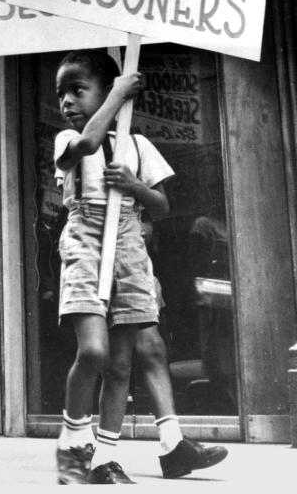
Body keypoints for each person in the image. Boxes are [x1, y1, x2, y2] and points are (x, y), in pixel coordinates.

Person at [52, 50, 172, 484]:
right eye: (61, 93)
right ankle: (70, 443)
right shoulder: (67, 140)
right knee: (95, 350)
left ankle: (105, 456)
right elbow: (85, 144)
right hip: (85, 239)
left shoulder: (137, 146)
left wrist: (134, 185)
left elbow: (161, 206)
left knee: (121, 363)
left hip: (126, 241)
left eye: (77, 89)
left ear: (104, 91)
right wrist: (119, 94)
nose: (66, 100)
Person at [133, 217, 228, 479]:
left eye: (145, 223)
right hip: (95, 256)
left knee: (152, 347)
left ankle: (172, 444)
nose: (144, 229)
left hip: (133, 264)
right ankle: (79, 446)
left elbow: (158, 204)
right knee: (105, 359)